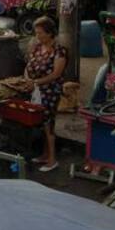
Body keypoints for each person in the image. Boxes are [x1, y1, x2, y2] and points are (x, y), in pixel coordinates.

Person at [25, 16, 67, 173]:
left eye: (41, 33)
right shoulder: (37, 48)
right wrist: (29, 80)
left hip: (50, 91)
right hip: (36, 90)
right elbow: (29, 66)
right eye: (36, 33)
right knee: (42, 123)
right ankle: (44, 154)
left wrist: (37, 82)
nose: (38, 36)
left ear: (50, 33)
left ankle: (52, 160)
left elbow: (56, 74)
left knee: (49, 125)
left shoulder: (59, 51)